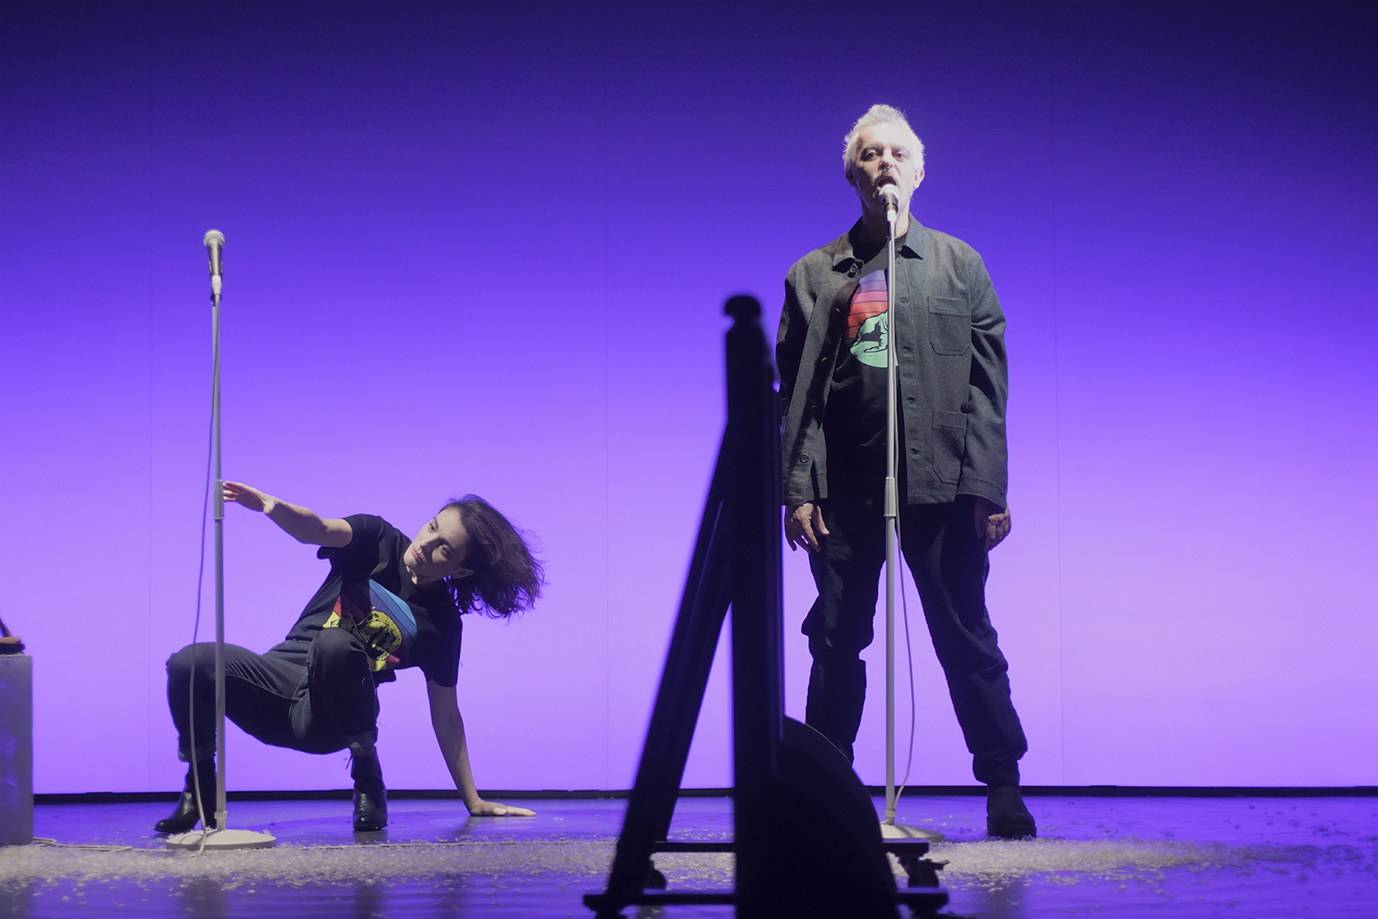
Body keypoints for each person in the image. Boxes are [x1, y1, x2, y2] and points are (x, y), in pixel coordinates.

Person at [776, 104, 1035, 839]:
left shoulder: (960, 265)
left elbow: (988, 387)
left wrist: (987, 486)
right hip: (846, 491)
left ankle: (1003, 783)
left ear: (918, 172)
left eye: (896, 153)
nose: (884, 162)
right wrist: (800, 489)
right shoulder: (814, 274)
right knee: (835, 637)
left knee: (965, 634)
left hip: (945, 487)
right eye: (869, 153)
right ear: (852, 174)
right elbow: (796, 396)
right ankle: (828, 789)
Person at [157, 481, 544, 833]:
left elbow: (446, 715)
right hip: (273, 685)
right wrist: (271, 506)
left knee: (334, 644)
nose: (425, 543)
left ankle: (367, 778)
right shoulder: (378, 539)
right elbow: (318, 530)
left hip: (328, 720)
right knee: (189, 663)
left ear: (460, 570)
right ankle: (200, 787)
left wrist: (473, 800)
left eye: (444, 548)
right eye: (431, 527)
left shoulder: (441, 624)